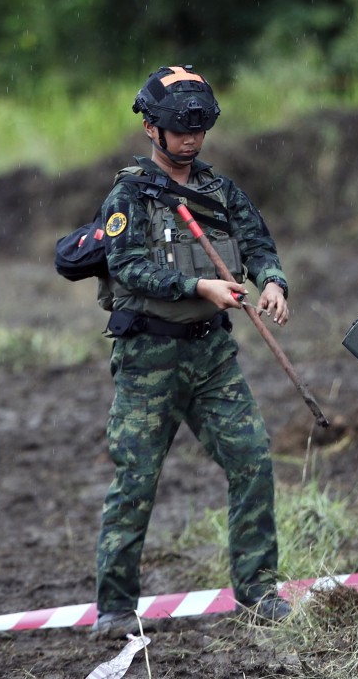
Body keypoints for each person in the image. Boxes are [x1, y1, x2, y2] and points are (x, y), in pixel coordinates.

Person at [90, 65, 292, 639]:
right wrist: (196, 287)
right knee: (137, 479)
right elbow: (125, 265)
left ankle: (257, 591)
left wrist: (273, 280)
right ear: (152, 128)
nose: (190, 140)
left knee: (252, 460)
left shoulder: (219, 190)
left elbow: (257, 243)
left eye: (199, 129)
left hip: (212, 357)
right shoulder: (129, 194)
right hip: (148, 357)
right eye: (180, 129)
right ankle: (114, 606)